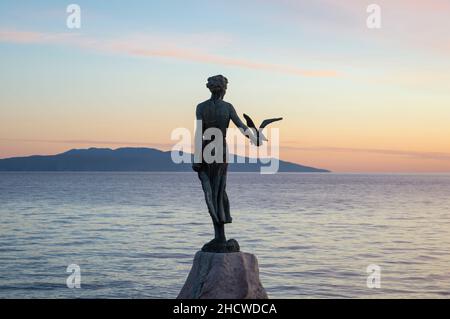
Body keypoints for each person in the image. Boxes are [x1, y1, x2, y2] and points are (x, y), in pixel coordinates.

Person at [192, 75, 257, 252]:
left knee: (212, 192)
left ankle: (219, 236)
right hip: (219, 151)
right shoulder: (227, 107)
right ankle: (220, 236)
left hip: (206, 151)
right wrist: (254, 138)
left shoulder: (201, 107)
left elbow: (199, 133)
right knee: (217, 191)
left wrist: (197, 157)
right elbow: (242, 127)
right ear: (223, 89)